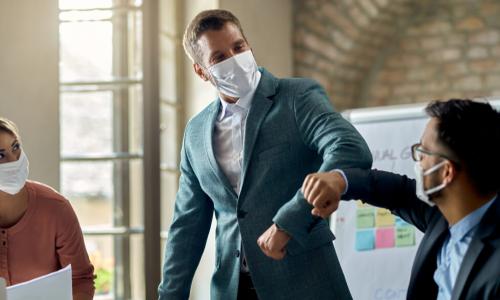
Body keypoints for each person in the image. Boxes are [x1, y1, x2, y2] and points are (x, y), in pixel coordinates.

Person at [158, 9, 372, 300]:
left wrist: (288, 220)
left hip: (305, 282)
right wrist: (170, 294)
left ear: (248, 45)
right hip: (233, 289)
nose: (234, 59)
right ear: (201, 71)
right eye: (219, 58)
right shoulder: (195, 133)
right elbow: (187, 225)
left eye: (238, 47)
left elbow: (350, 148)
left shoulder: (297, 97)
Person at [302, 99, 500, 300]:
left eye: (422, 153)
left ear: (446, 171)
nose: (418, 162)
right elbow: (398, 192)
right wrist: (340, 181)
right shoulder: (444, 216)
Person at [0, 117, 94, 299]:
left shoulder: (56, 208)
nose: (14, 161)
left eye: (16, 147)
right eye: (0, 155)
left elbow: (81, 279)